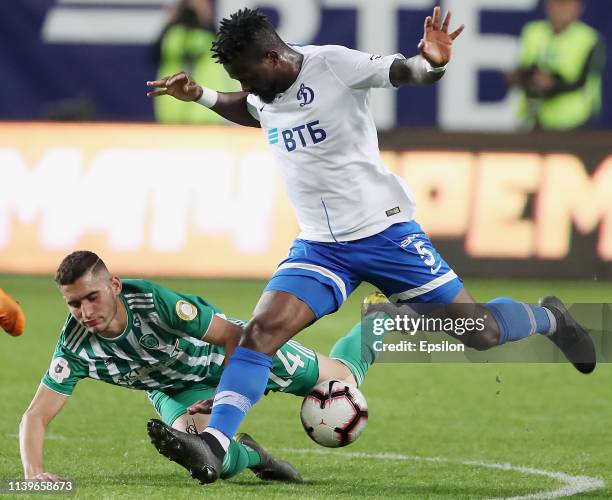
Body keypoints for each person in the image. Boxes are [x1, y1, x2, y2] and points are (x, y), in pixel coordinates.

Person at [145, 7, 596, 484]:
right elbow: (255, 109)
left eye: (246, 76)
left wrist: (433, 62)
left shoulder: (334, 65)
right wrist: (204, 95)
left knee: (480, 332)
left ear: (273, 57)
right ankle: (215, 444)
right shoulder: (266, 90)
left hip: (384, 234)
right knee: (259, 334)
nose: (246, 86)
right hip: (320, 247)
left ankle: (551, 317)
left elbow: (405, 71)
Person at [18, 251, 383, 483]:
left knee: (345, 380)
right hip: (176, 391)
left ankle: (382, 312)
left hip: (241, 356)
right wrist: (33, 474)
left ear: (114, 285)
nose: (85, 312)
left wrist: (227, 391)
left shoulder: (151, 303)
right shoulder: (76, 348)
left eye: (92, 297)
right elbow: (36, 415)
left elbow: (232, 335)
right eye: (74, 304)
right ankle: (257, 456)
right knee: (207, 459)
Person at [506, 0, 605, 130]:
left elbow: (583, 80)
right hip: (534, 121)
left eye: (566, 4)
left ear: (578, 8)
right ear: (548, 6)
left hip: (575, 122)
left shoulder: (590, 39)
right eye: (557, 3)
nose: (561, 10)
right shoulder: (533, 32)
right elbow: (526, 67)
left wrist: (553, 83)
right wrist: (521, 77)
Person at [152, 0, 238, 124]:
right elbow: (153, 56)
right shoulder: (173, 33)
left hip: (206, 113)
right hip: (173, 113)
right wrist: (169, 22)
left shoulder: (208, 33)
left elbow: (228, 52)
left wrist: (206, 19)